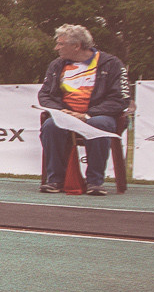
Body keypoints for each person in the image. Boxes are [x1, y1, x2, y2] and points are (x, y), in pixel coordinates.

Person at [37, 23, 128, 196]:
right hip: (67, 115)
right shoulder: (57, 65)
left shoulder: (111, 64)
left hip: (99, 115)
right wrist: (61, 111)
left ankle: (95, 182)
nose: (56, 48)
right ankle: (56, 180)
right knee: (50, 125)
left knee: (97, 123)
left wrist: (87, 114)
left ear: (76, 46)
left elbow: (121, 99)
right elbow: (45, 95)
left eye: (61, 44)